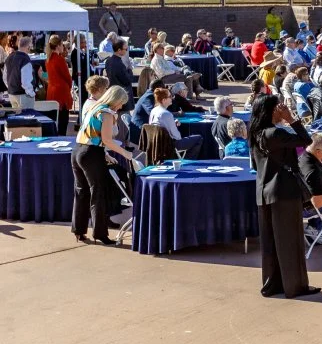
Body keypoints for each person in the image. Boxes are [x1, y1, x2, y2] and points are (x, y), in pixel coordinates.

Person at [249, 95, 320, 298]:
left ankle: (273, 284)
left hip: (264, 191)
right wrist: (291, 119)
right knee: (291, 241)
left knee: (271, 242)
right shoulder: (275, 133)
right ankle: (295, 286)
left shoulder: (255, 133)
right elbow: (306, 140)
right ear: (273, 111)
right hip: (284, 191)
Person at [71, 85, 134, 245]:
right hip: (91, 153)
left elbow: (90, 134)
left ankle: (78, 230)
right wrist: (125, 153)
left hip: (78, 150)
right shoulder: (106, 113)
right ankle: (100, 233)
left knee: (81, 191)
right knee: (98, 193)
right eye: (121, 103)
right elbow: (107, 140)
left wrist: (105, 154)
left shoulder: (94, 107)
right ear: (116, 100)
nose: (121, 107)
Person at [148, 88, 204, 159]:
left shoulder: (154, 110)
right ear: (164, 100)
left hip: (155, 142)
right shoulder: (166, 114)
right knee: (199, 138)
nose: (172, 98)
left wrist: (172, 123)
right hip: (169, 144)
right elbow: (177, 137)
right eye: (169, 96)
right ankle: (187, 161)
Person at [44, 35, 73, 135]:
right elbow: (67, 77)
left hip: (51, 90)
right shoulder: (59, 59)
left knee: (54, 118)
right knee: (63, 120)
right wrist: (69, 85)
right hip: (61, 92)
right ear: (58, 46)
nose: (63, 47)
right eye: (62, 45)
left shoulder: (48, 59)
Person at [3, 35, 35, 109]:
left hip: (12, 94)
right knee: (27, 118)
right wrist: (31, 93)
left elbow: (5, 78)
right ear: (28, 47)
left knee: (17, 118)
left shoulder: (9, 57)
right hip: (23, 95)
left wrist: (11, 87)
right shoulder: (25, 60)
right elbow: (25, 82)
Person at [104, 39, 135, 111]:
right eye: (125, 49)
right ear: (119, 50)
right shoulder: (119, 63)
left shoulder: (108, 61)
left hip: (113, 93)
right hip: (121, 96)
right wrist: (130, 70)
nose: (126, 51)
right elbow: (127, 80)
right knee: (123, 119)